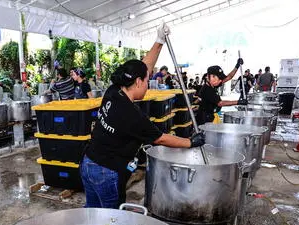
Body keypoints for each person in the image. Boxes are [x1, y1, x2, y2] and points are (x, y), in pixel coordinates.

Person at [80, 24, 205, 209]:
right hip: (106, 172)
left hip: (88, 163)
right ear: (138, 82)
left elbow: (144, 67)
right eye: (147, 81)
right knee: (111, 218)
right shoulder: (133, 116)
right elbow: (161, 139)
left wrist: (159, 42)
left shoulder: (113, 91)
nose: (148, 84)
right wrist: (190, 142)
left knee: (92, 212)